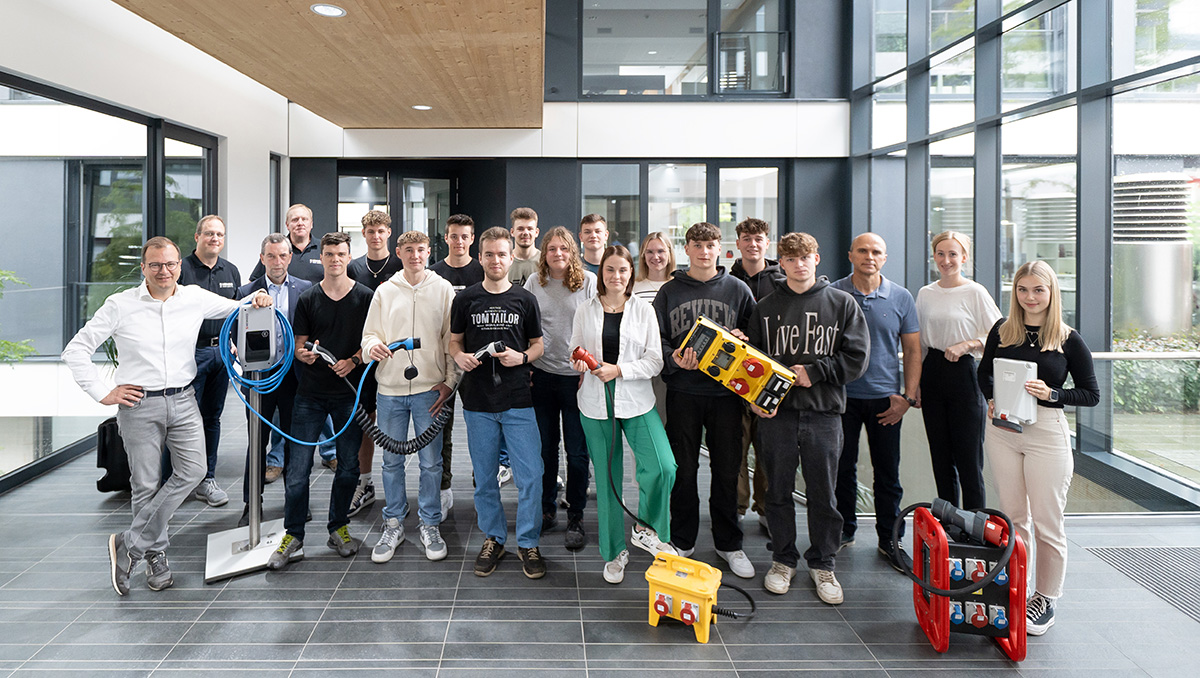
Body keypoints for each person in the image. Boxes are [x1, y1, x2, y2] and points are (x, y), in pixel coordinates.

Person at [62, 236, 272, 595]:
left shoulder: (192, 298)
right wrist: (103, 392)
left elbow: (236, 306)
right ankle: (155, 556)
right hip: (138, 405)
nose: (164, 271)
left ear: (179, 266)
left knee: (194, 470)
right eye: (156, 264)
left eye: (171, 264)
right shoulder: (120, 305)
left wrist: (259, 299)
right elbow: (76, 349)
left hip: (184, 399)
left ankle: (129, 544)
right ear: (143, 268)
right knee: (145, 485)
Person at [978, 260, 1099, 636]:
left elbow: (1091, 394)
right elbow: (984, 373)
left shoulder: (1067, 338)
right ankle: (1017, 590)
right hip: (1002, 429)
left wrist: (1053, 394)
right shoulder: (1003, 329)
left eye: (1038, 290)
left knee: (1048, 522)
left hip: (1046, 433)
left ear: (1052, 293)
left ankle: (1044, 598)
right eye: (1022, 289)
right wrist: (991, 398)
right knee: (1014, 518)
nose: (1030, 297)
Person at [748, 232, 869, 604]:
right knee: (778, 492)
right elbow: (751, 361)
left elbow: (857, 359)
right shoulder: (764, 307)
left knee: (824, 495)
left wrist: (814, 372)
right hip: (777, 417)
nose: (799, 264)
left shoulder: (843, 303)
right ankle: (783, 559)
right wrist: (754, 399)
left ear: (817, 259)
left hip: (824, 415)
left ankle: (823, 563)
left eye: (806, 257)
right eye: (790, 258)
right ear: (780, 263)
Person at [652, 222, 757, 579]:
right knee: (684, 468)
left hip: (726, 395)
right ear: (687, 249)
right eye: (697, 244)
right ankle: (683, 539)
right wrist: (672, 358)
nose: (703, 250)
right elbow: (657, 340)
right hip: (683, 391)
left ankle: (729, 543)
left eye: (710, 244)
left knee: (727, 470)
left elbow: (755, 340)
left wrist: (744, 339)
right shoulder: (668, 292)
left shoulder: (738, 289)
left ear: (719, 249)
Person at [571, 245, 677, 584]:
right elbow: (573, 348)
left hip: (637, 397)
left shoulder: (644, 311)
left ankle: (646, 529)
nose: (616, 276)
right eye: (610, 270)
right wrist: (576, 361)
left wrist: (620, 370)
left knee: (662, 466)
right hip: (595, 401)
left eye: (623, 270)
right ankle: (614, 551)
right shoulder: (585, 310)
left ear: (632, 274)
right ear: (601, 273)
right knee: (607, 479)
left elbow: (655, 361)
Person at [268, 232, 373, 570]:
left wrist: (353, 361)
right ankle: (293, 533)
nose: (335, 260)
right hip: (310, 395)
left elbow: (371, 342)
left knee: (348, 468)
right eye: (329, 254)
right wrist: (303, 353)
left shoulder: (365, 298)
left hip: (349, 395)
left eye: (341, 254)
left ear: (348, 255)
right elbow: (299, 343)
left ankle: (338, 527)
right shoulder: (309, 298)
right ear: (323, 257)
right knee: (297, 470)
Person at [449, 227, 547, 579]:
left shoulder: (524, 299)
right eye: (488, 254)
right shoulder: (466, 300)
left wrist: (521, 358)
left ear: (511, 257)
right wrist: (459, 358)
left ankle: (528, 541)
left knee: (531, 475)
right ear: (480, 257)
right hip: (477, 401)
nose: (495, 260)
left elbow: (538, 345)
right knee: (485, 477)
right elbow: (454, 342)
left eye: (501, 254)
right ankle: (493, 537)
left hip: (518, 398)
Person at [362, 230, 458, 563]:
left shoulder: (443, 289)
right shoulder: (384, 291)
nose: (415, 255)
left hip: (429, 390)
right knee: (391, 461)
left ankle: (430, 524)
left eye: (421, 250)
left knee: (432, 463)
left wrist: (450, 382)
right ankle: (393, 523)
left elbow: (451, 340)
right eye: (409, 250)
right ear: (398, 253)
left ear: (428, 252)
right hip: (389, 390)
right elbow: (369, 334)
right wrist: (370, 345)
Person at [830, 233, 921, 572]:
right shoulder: (835, 293)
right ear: (851, 254)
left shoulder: (901, 297)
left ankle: (889, 539)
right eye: (863, 251)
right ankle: (843, 530)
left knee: (888, 474)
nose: (870, 256)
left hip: (887, 400)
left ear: (885, 258)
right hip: (842, 398)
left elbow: (913, 350)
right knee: (841, 470)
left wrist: (908, 398)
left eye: (876, 252)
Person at [916, 230, 1001, 509]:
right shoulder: (925, 293)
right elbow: (919, 343)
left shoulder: (975, 292)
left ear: (964, 257)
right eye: (940, 253)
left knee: (968, 458)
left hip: (963, 373)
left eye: (953, 254)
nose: (946, 260)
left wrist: (969, 344)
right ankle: (948, 526)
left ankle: (976, 528)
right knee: (940, 458)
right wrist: (914, 385)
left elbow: (1001, 335)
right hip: (932, 373)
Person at [523, 226, 596, 550]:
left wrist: (591, 367)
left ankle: (576, 514)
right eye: (552, 249)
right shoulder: (533, 283)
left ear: (572, 251)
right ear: (544, 253)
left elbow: (598, 328)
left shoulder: (589, 283)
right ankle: (547, 508)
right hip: (542, 376)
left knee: (578, 453)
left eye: (563, 249)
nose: (558, 254)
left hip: (578, 379)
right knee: (545, 449)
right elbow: (523, 326)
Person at [236, 233, 312, 527]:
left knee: (296, 445)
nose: (277, 262)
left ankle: (295, 504)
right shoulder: (246, 292)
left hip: (295, 378)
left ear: (290, 257)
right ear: (262, 258)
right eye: (271, 256)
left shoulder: (305, 290)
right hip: (259, 379)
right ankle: (251, 504)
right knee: (257, 442)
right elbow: (233, 332)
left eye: (282, 255)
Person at [176, 215, 242, 508]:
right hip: (190, 353)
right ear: (197, 237)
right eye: (209, 234)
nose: (215, 238)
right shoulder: (182, 270)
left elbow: (237, 313)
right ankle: (175, 481)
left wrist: (237, 347)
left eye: (220, 234)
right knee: (180, 420)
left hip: (221, 355)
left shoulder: (231, 270)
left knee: (211, 418)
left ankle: (207, 479)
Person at [430, 214, 493, 505]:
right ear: (446, 238)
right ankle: (443, 488)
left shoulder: (484, 272)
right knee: (442, 424)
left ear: (472, 239)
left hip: (476, 361)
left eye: (464, 236)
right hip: (443, 361)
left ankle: (483, 485)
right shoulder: (433, 274)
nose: (459, 241)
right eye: (453, 236)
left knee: (481, 427)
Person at [345, 210, 404, 518]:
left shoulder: (400, 265)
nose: (375, 235)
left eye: (381, 230)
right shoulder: (354, 268)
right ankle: (365, 482)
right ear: (364, 234)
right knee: (366, 420)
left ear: (389, 233)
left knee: (398, 425)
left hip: (399, 357)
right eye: (370, 231)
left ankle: (399, 489)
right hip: (366, 355)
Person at [728, 218, 785, 528]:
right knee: (735, 448)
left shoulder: (782, 280)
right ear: (737, 243)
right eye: (746, 238)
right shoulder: (726, 280)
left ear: (767, 242)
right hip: (734, 378)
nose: (752, 244)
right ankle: (737, 507)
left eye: (758, 238)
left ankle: (765, 510)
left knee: (768, 450)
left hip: (770, 377)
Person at [250, 203, 323, 283]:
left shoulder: (323, 249)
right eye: (295, 220)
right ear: (287, 225)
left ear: (311, 224)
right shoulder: (275, 249)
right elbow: (253, 283)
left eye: (304, 219)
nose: (300, 223)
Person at [631, 231, 675, 304]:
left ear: (670, 254)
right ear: (643, 256)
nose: (655, 257)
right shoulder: (633, 287)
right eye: (650, 252)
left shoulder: (678, 287)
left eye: (660, 251)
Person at [508, 207, 540, 287]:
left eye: (530, 229)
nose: (525, 233)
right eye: (520, 229)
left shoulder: (545, 261)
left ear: (536, 232)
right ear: (512, 232)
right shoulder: (505, 261)